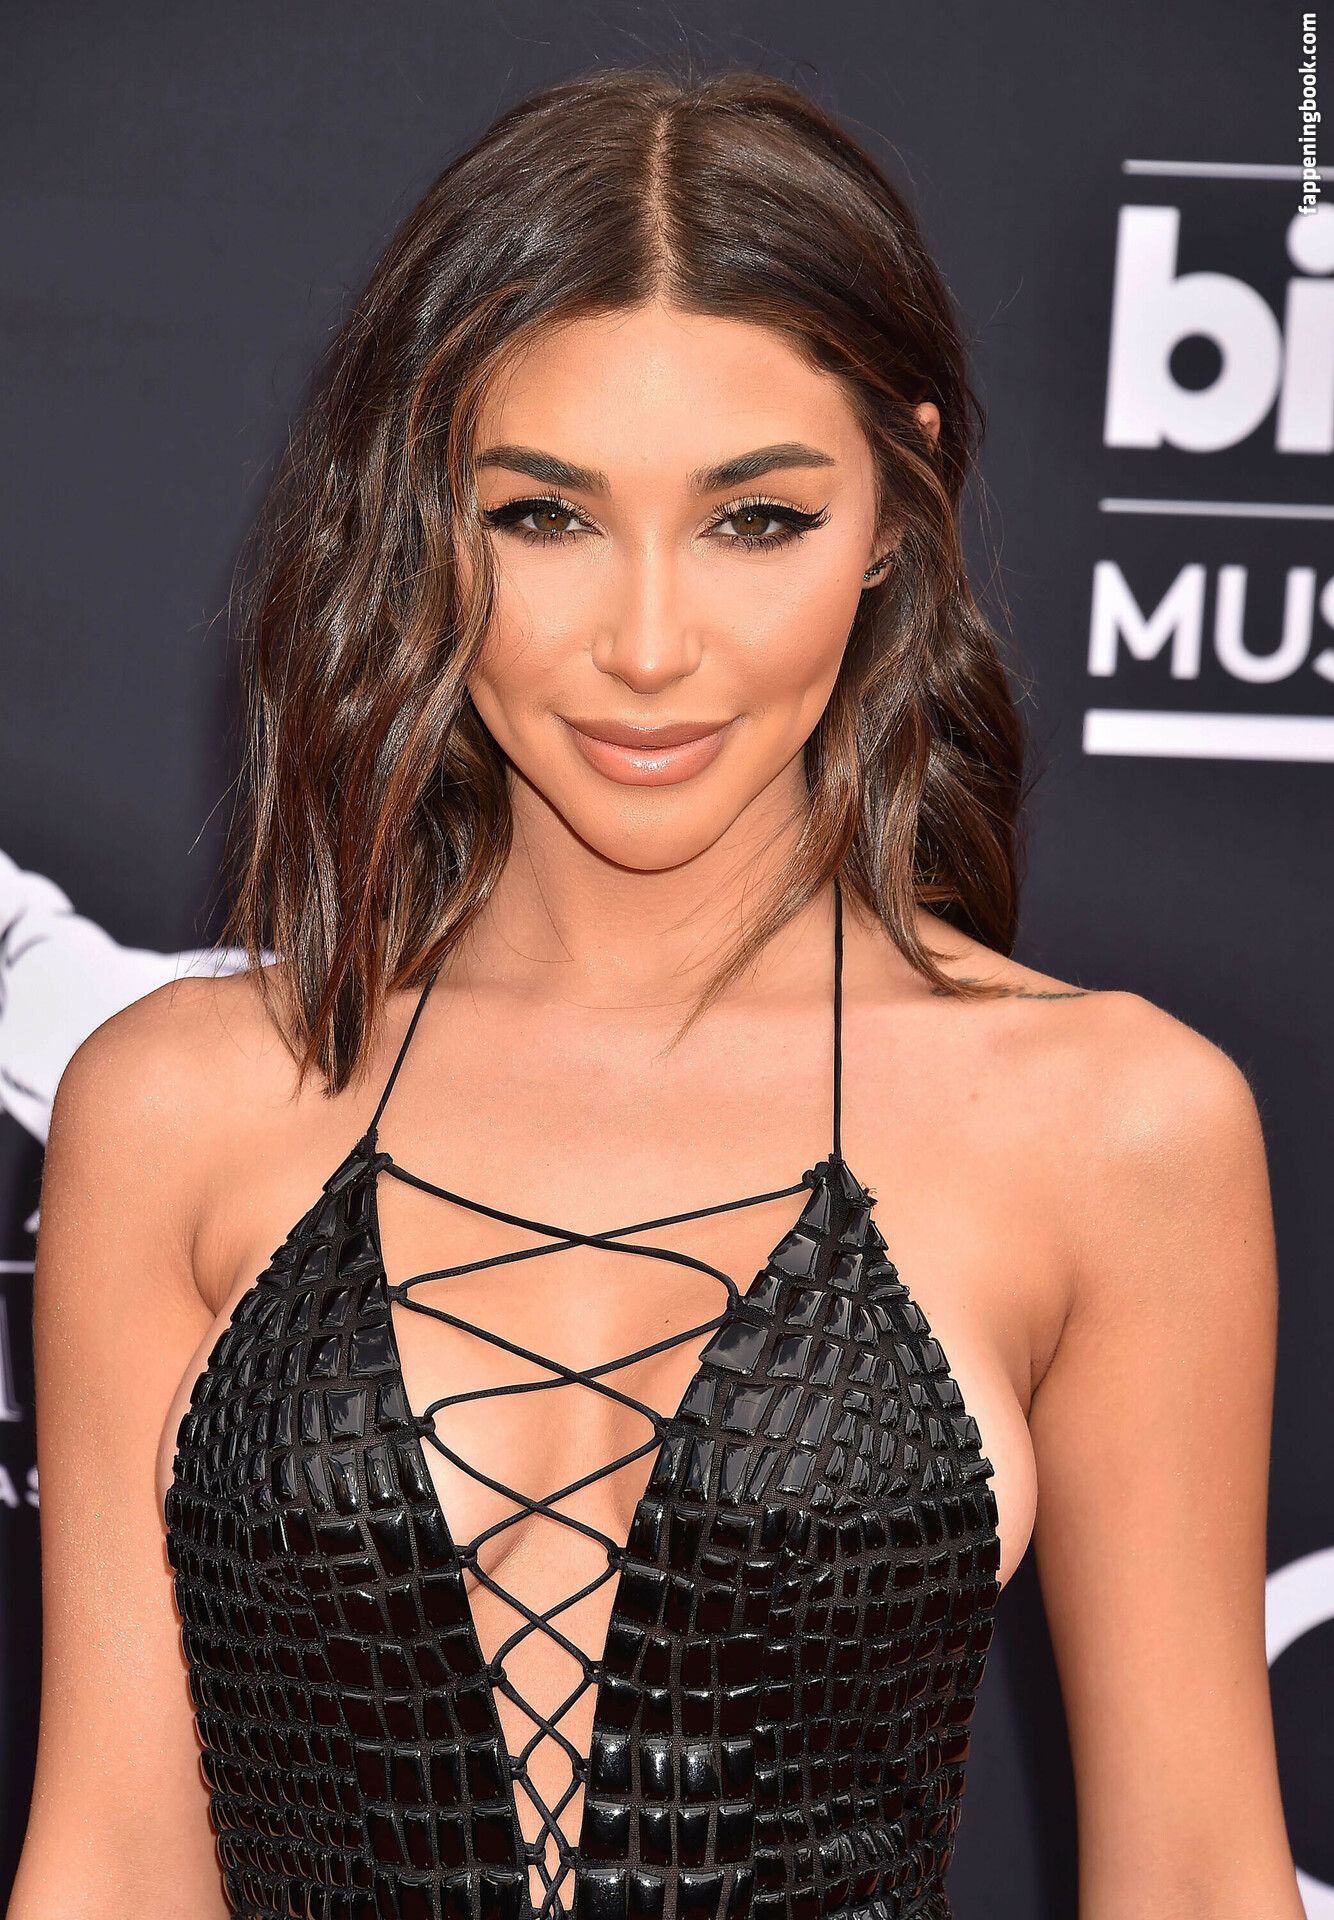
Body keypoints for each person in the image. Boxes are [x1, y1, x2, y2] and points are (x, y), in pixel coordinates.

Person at [9, 67, 1301, 1920]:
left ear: (895, 505)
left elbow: (1191, 1878)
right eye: (543, 515)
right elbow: (114, 1866)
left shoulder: (1114, 1127)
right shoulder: (180, 1101)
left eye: (752, 519)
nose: (644, 644)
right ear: (422, 515)